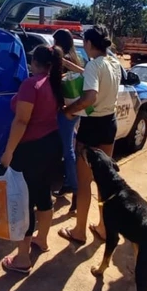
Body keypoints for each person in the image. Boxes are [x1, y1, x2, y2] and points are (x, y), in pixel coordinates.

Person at [0, 45, 66, 274]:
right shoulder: (55, 82)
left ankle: (22, 259)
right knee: (43, 193)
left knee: (24, 202)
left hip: (30, 149)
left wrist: (9, 151)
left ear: (34, 61)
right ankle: (43, 240)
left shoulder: (31, 84)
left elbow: (21, 121)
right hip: (51, 144)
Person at [57, 25, 123, 245]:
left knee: (84, 183)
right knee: (104, 180)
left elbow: (89, 98)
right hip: (109, 123)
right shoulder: (113, 63)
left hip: (92, 126)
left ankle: (79, 231)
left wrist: (68, 110)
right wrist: (68, 65)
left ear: (88, 44)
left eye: (84, 42)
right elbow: (92, 75)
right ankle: (104, 227)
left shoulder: (95, 65)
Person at [51, 29, 84, 205]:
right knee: (71, 144)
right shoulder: (76, 57)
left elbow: (55, 83)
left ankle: (73, 184)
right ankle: (73, 180)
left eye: (54, 41)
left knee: (67, 148)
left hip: (66, 109)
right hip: (75, 109)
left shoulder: (63, 59)